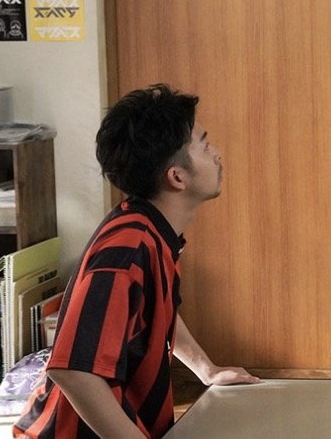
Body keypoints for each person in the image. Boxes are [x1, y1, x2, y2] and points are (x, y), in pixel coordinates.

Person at [14, 84, 260, 438]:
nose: (217, 154)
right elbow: (72, 370)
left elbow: (156, 311)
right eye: (205, 146)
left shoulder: (151, 229)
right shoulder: (127, 251)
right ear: (177, 176)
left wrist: (207, 370)